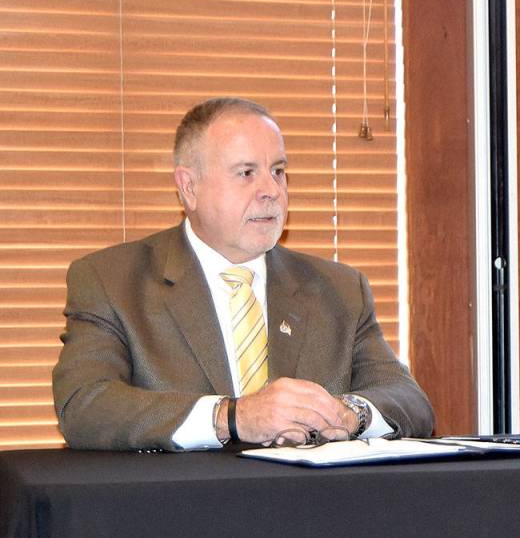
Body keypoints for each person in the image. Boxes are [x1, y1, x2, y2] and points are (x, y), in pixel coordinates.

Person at [52, 97, 434, 451]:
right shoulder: (111, 281)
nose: (271, 190)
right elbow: (85, 405)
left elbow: (408, 398)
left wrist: (350, 413)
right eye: (246, 173)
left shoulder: (338, 289)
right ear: (189, 187)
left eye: (278, 171)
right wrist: (231, 417)